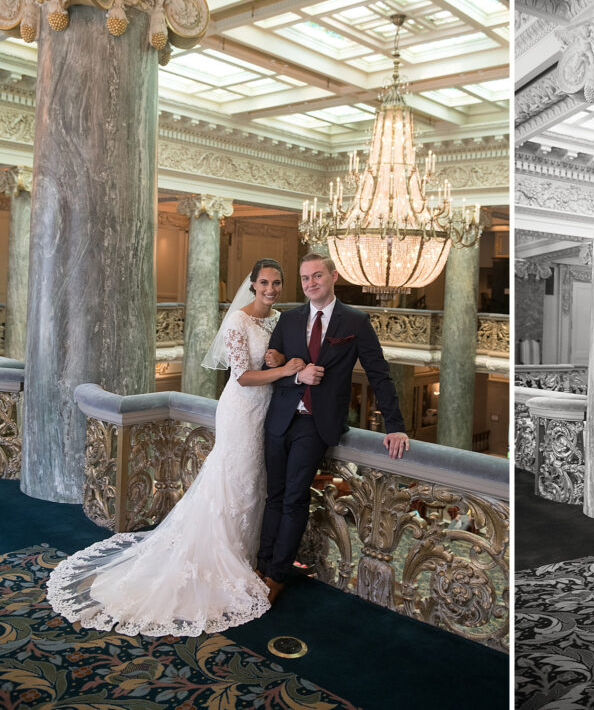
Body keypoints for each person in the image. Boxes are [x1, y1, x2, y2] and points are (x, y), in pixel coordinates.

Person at [46, 259, 305, 636]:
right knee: (234, 477)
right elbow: (243, 376)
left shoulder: (277, 318)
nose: (271, 288)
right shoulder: (237, 321)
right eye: (264, 282)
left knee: (255, 481)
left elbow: (275, 353)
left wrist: (279, 359)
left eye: (276, 283)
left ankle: (249, 554)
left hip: (268, 410)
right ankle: (219, 555)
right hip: (242, 408)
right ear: (252, 284)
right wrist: (285, 370)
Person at [256, 252, 409, 604]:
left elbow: (379, 374)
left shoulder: (354, 321)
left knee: (294, 499)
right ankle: (260, 565)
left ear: (333, 276)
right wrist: (285, 365)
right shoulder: (290, 318)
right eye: (305, 277)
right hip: (279, 417)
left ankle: (276, 575)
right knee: (273, 496)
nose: (310, 283)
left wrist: (395, 425)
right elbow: (275, 358)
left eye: (317, 276)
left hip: (316, 423)